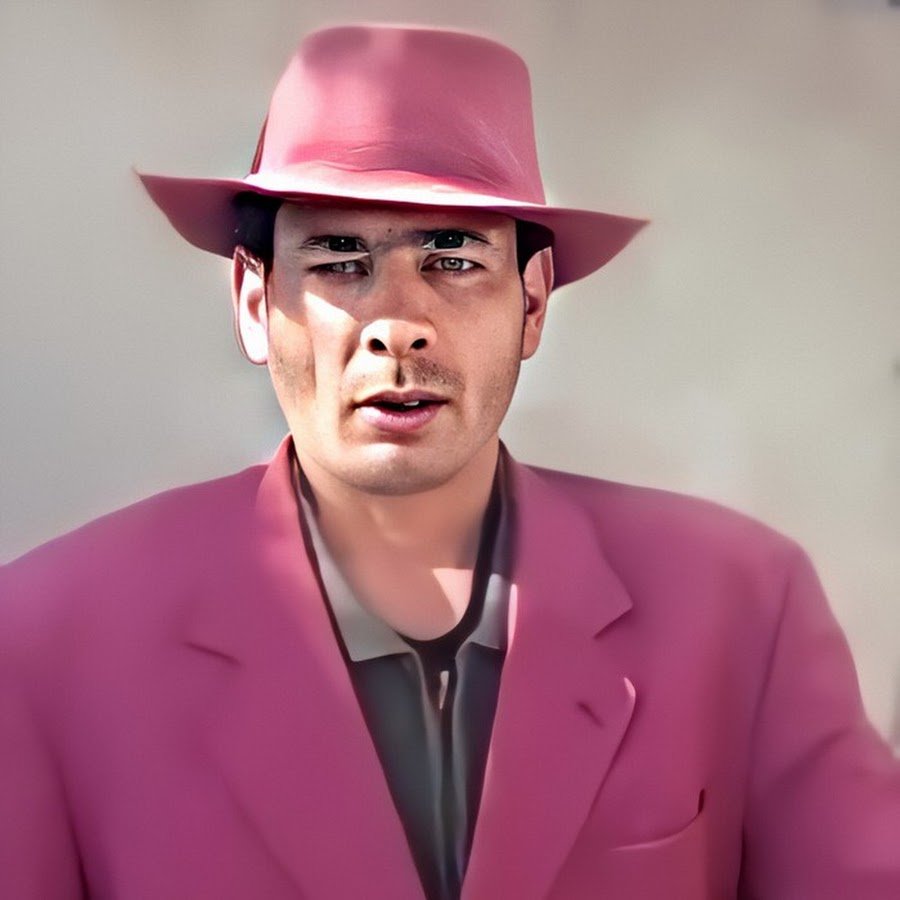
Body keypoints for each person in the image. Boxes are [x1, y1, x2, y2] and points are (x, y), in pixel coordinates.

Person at [1, 22, 897, 900]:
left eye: (453, 257)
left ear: (532, 304)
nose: (399, 324)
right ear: (253, 300)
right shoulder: (46, 641)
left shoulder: (741, 606)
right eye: (340, 258)